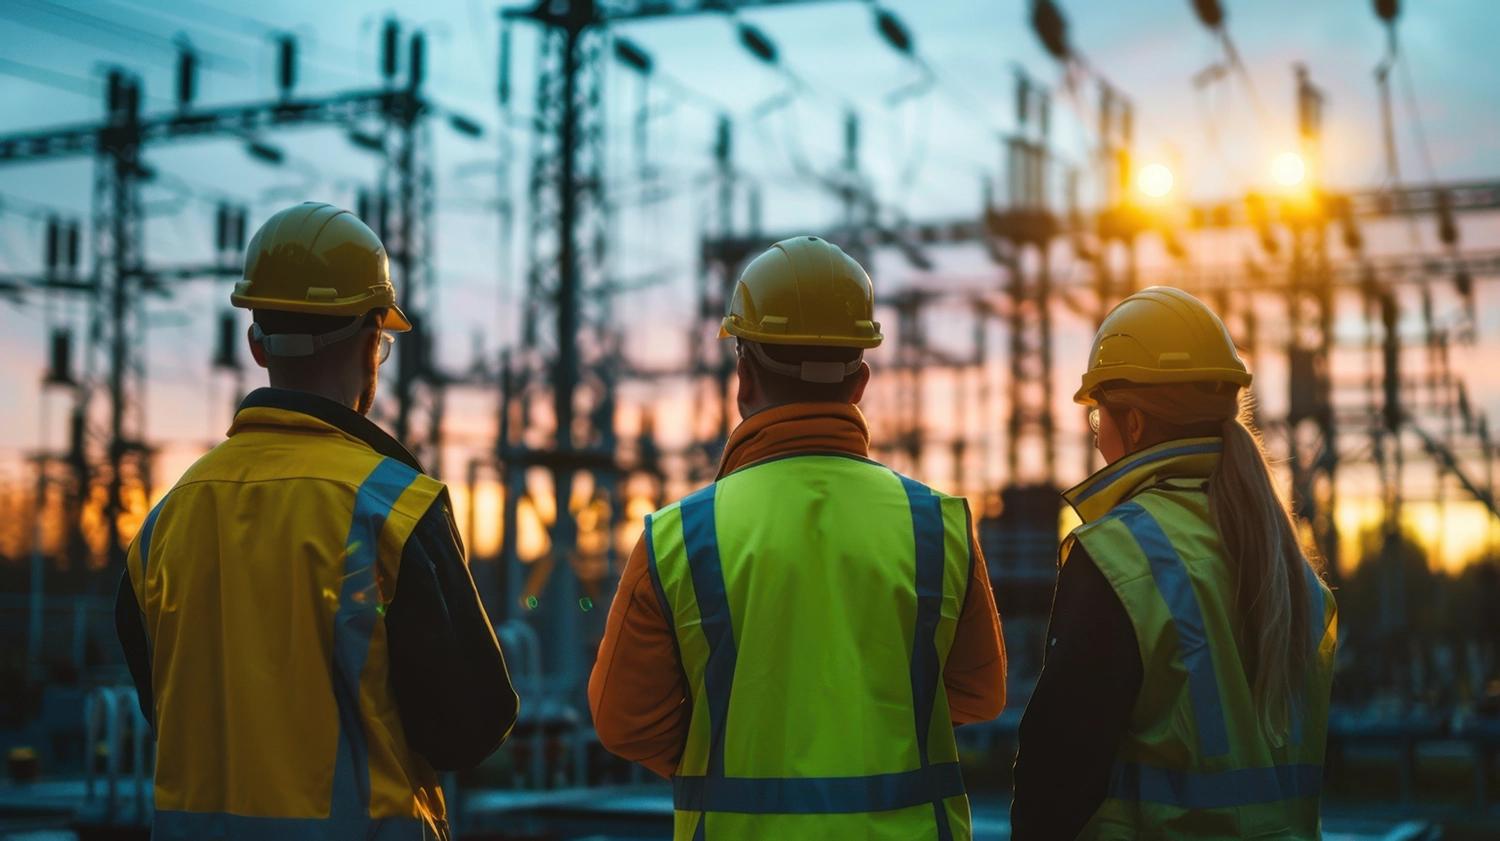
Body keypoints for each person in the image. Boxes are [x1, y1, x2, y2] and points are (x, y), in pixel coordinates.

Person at [114, 202, 517, 841]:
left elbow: (164, 708)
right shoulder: (393, 507)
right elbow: (472, 725)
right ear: (368, 344)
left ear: (255, 344)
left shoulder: (165, 522)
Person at [589, 235, 1007, 840]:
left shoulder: (681, 537)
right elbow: (980, 693)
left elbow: (625, 722)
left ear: (744, 375)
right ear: (860, 381)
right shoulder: (936, 526)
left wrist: (737, 745)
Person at [1010, 286, 1338, 840]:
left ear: (1134, 424)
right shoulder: (1290, 568)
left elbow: (1058, 776)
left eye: (1098, 421)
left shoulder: (1119, 556)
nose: (1097, 441)